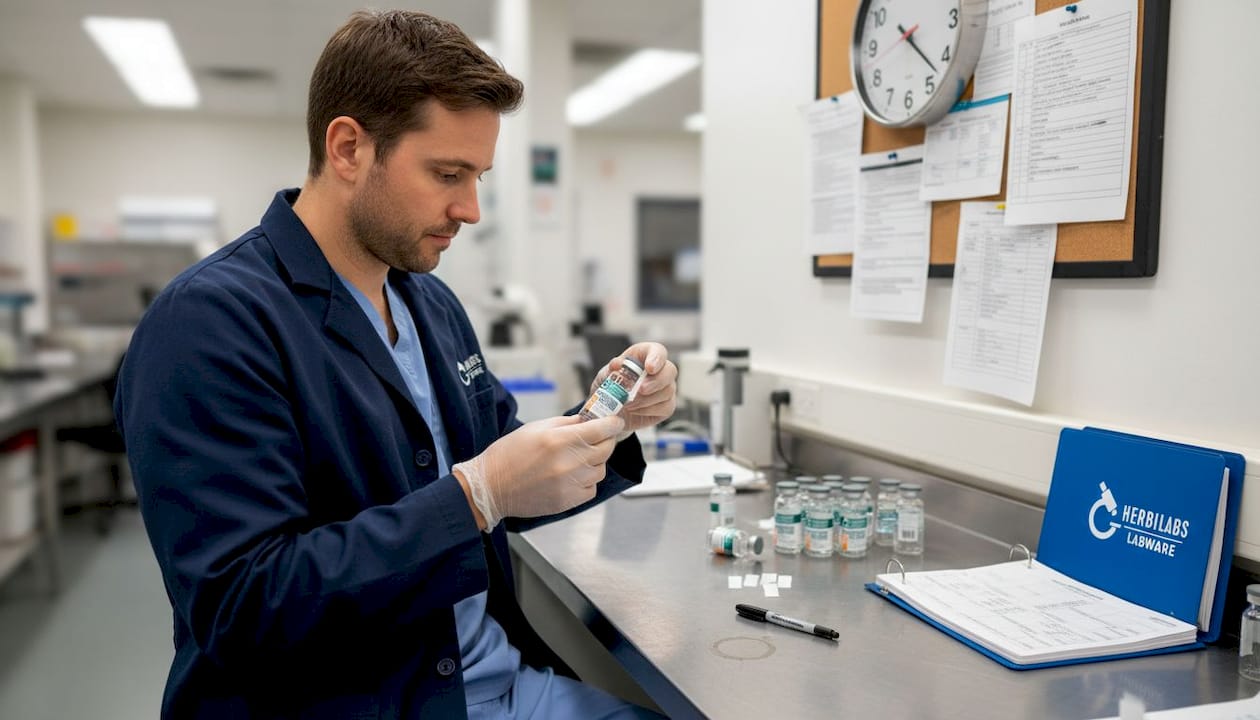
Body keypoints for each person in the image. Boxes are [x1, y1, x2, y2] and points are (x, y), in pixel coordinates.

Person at [114, 10, 677, 719]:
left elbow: (509, 469)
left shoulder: (430, 304)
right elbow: (243, 607)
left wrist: (608, 421)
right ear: (349, 148)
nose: (470, 209)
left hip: (493, 682)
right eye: (447, 173)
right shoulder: (209, 323)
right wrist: (475, 498)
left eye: (478, 177)